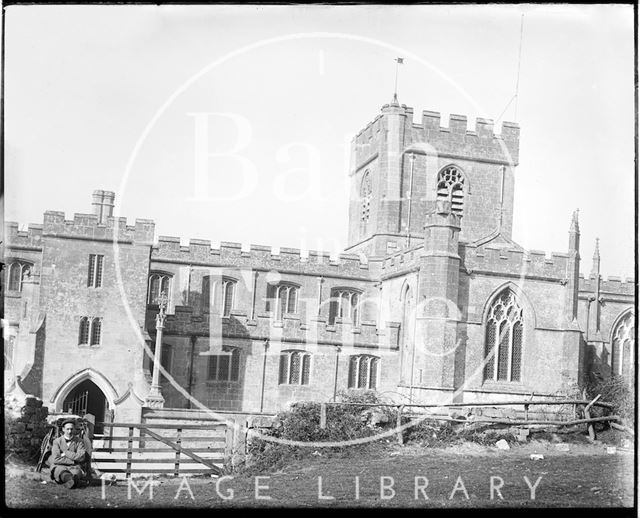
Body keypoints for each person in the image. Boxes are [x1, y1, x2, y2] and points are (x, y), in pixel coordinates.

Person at [48, 418, 87, 488]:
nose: (69, 431)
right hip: (59, 466)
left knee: (76, 473)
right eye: (67, 429)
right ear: (63, 429)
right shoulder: (57, 441)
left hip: (74, 467)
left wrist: (66, 453)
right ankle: (71, 480)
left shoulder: (79, 442)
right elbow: (56, 459)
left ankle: (72, 481)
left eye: (71, 429)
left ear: (74, 429)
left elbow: (81, 457)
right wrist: (73, 460)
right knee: (61, 472)